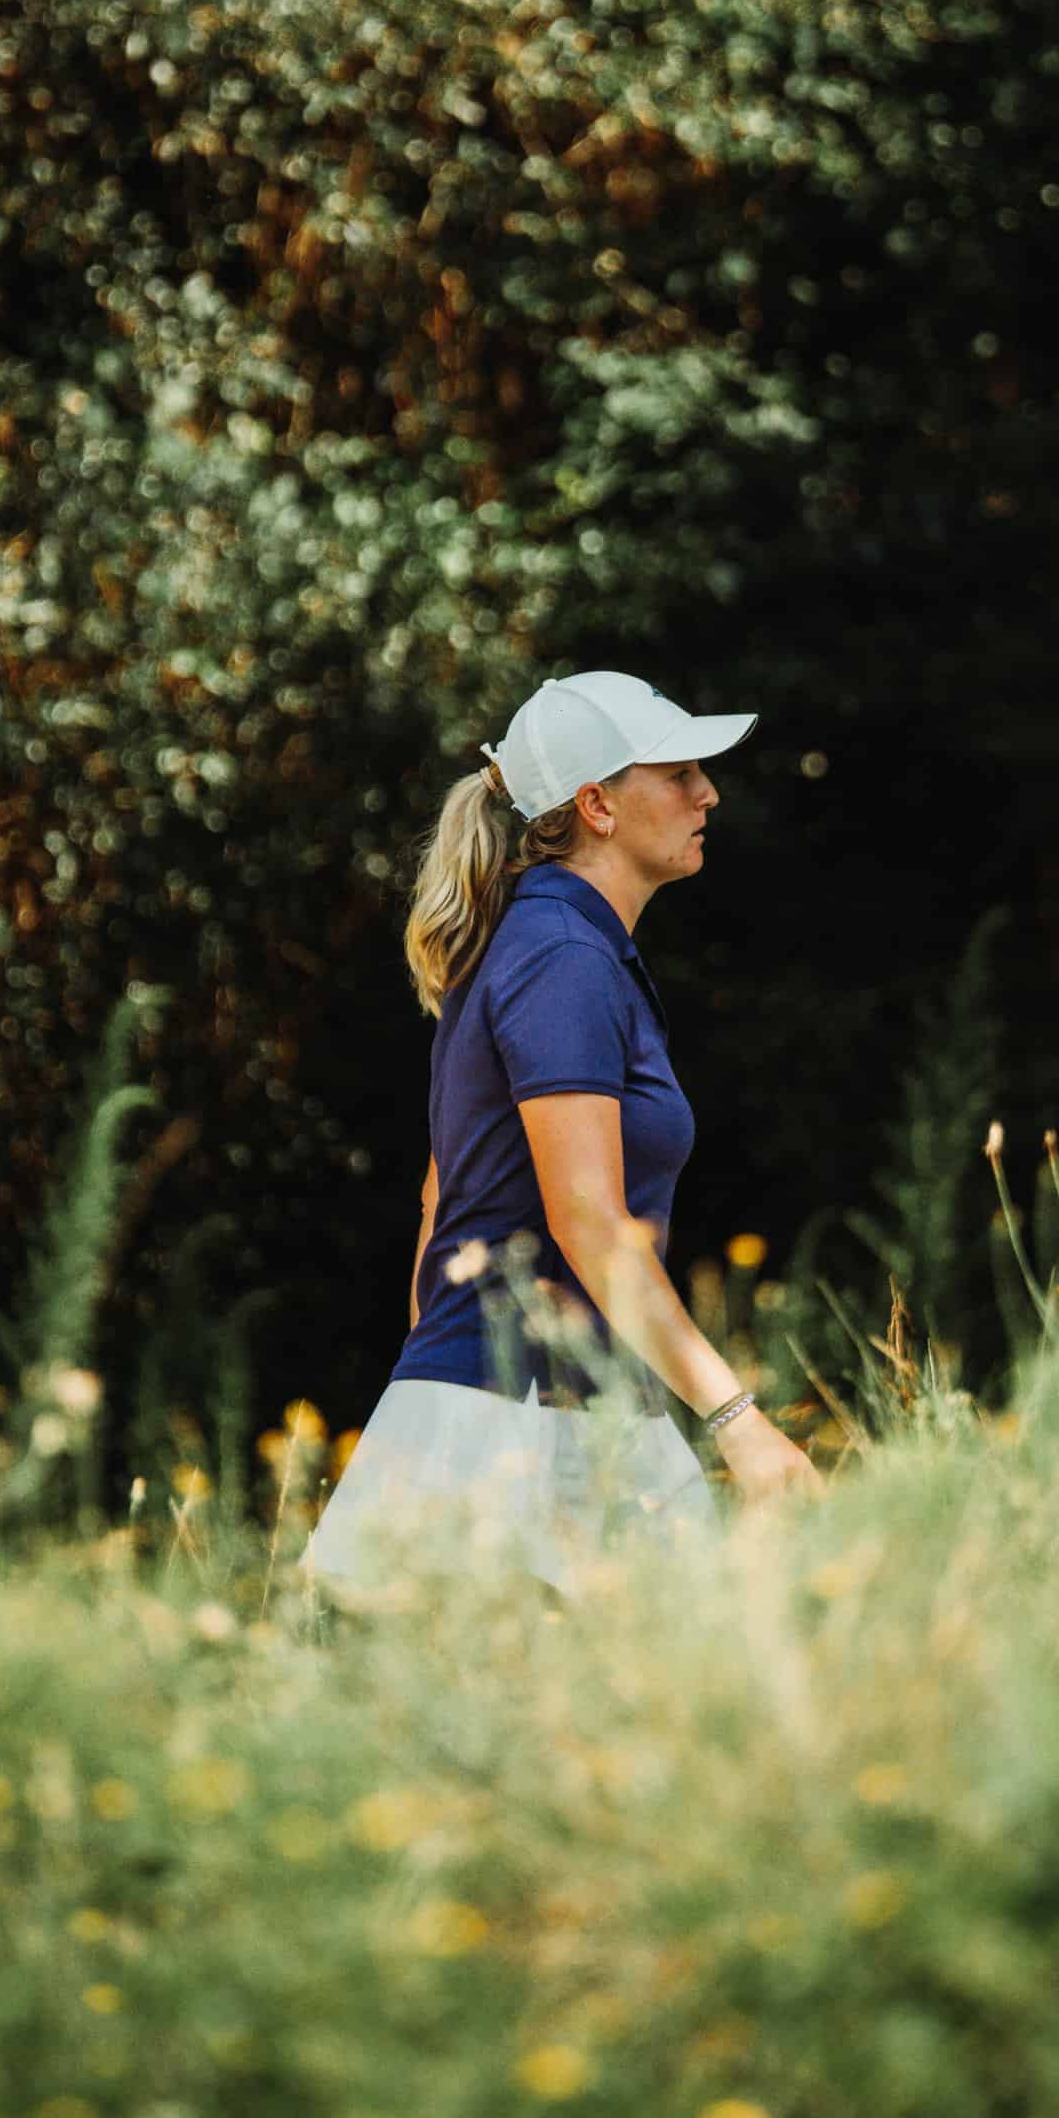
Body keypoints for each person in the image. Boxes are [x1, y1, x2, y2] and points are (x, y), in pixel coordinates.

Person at [300, 668, 822, 1611]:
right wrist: (738, 1419)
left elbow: (438, 1199)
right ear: (597, 805)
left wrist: (444, 1398)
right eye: (677, 773)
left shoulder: (549, 944)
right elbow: (586, 1218)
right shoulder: (563, 957)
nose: (708, 792)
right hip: (533, 1415)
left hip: (550, 1408)